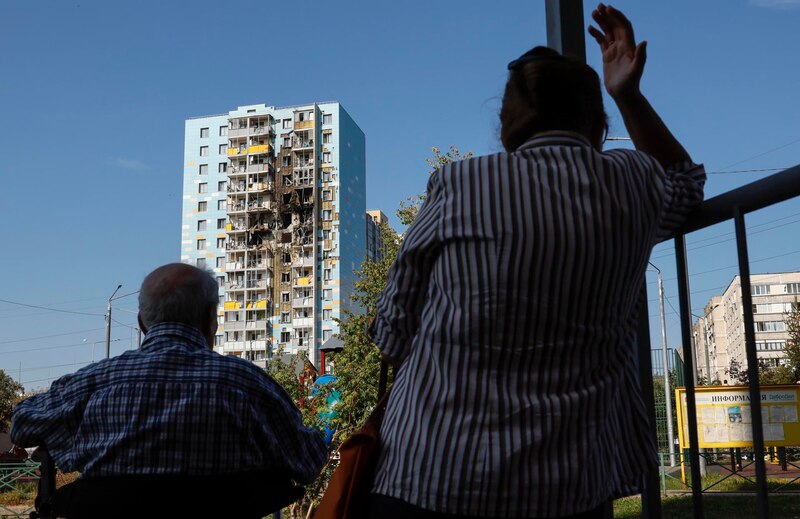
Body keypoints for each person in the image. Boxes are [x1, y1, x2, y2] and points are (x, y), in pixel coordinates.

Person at [367, 4, 705, 519]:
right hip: (571, 486)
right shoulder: (636, 181)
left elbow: (391, 330)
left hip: (434, 473)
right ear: (597, 124)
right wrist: (628, 94)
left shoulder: (460, 183)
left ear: (508, 126)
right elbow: (686, 181)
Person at [10, 263, 327, 516]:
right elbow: (309, 462)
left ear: (141, 323)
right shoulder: (249, 384)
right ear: (210, 320)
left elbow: (22, 425)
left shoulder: (94, 382)